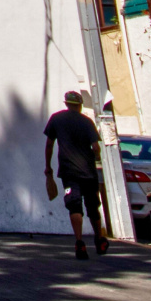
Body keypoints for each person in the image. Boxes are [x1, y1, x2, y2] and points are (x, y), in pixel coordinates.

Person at [43, 89, 109, 258]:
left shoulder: (56, 119)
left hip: (69, 172)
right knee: (93, 206)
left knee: (74, 206)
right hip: (88, 172)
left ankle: (79, 242)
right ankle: (99, 239)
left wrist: (48, 166)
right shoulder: (87, 122)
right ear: (79, 106)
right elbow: (96, 147)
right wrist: (96, 157)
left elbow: (49, 144)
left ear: (66, 104)